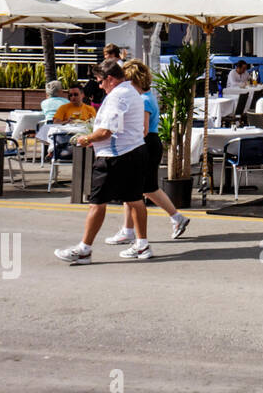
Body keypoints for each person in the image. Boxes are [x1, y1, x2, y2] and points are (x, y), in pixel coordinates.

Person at [54, 60, 152, 264]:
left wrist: (87, 139)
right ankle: (142, 246)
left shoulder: (117, 96)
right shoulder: (132, 91)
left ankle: (84, 249)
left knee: (97, 203)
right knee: (135, 199)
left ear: (110, 79)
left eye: (100, 81)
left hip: (115, 157)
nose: (99, 86)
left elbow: (107, 131)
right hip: (134, 150)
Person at [103, 60, 190, 249]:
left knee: (136, 189)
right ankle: (174, 218)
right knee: (145, 188)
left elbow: (142, 129)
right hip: (149, 142)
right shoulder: (146, 96)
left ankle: (131, 230)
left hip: (145, 143)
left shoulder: (142, 100)